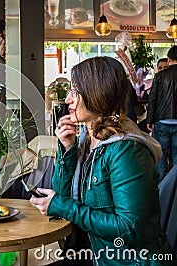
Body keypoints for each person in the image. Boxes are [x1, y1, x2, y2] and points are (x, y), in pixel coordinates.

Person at [30, 57, 173, 265]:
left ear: (97, 94)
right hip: (98, 254)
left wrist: (62, 206)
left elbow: (130, 228)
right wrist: (67, 149)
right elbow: (61, 193)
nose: (68, 99)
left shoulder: (126, 150)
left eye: (76, 92)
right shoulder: (86, 140)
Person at [147, 47, 177, 182]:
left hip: (161, 121)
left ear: (169, 59)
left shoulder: (160, 76)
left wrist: (149, 119)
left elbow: (152, 99)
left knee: (161, 158)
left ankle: (161, 192)